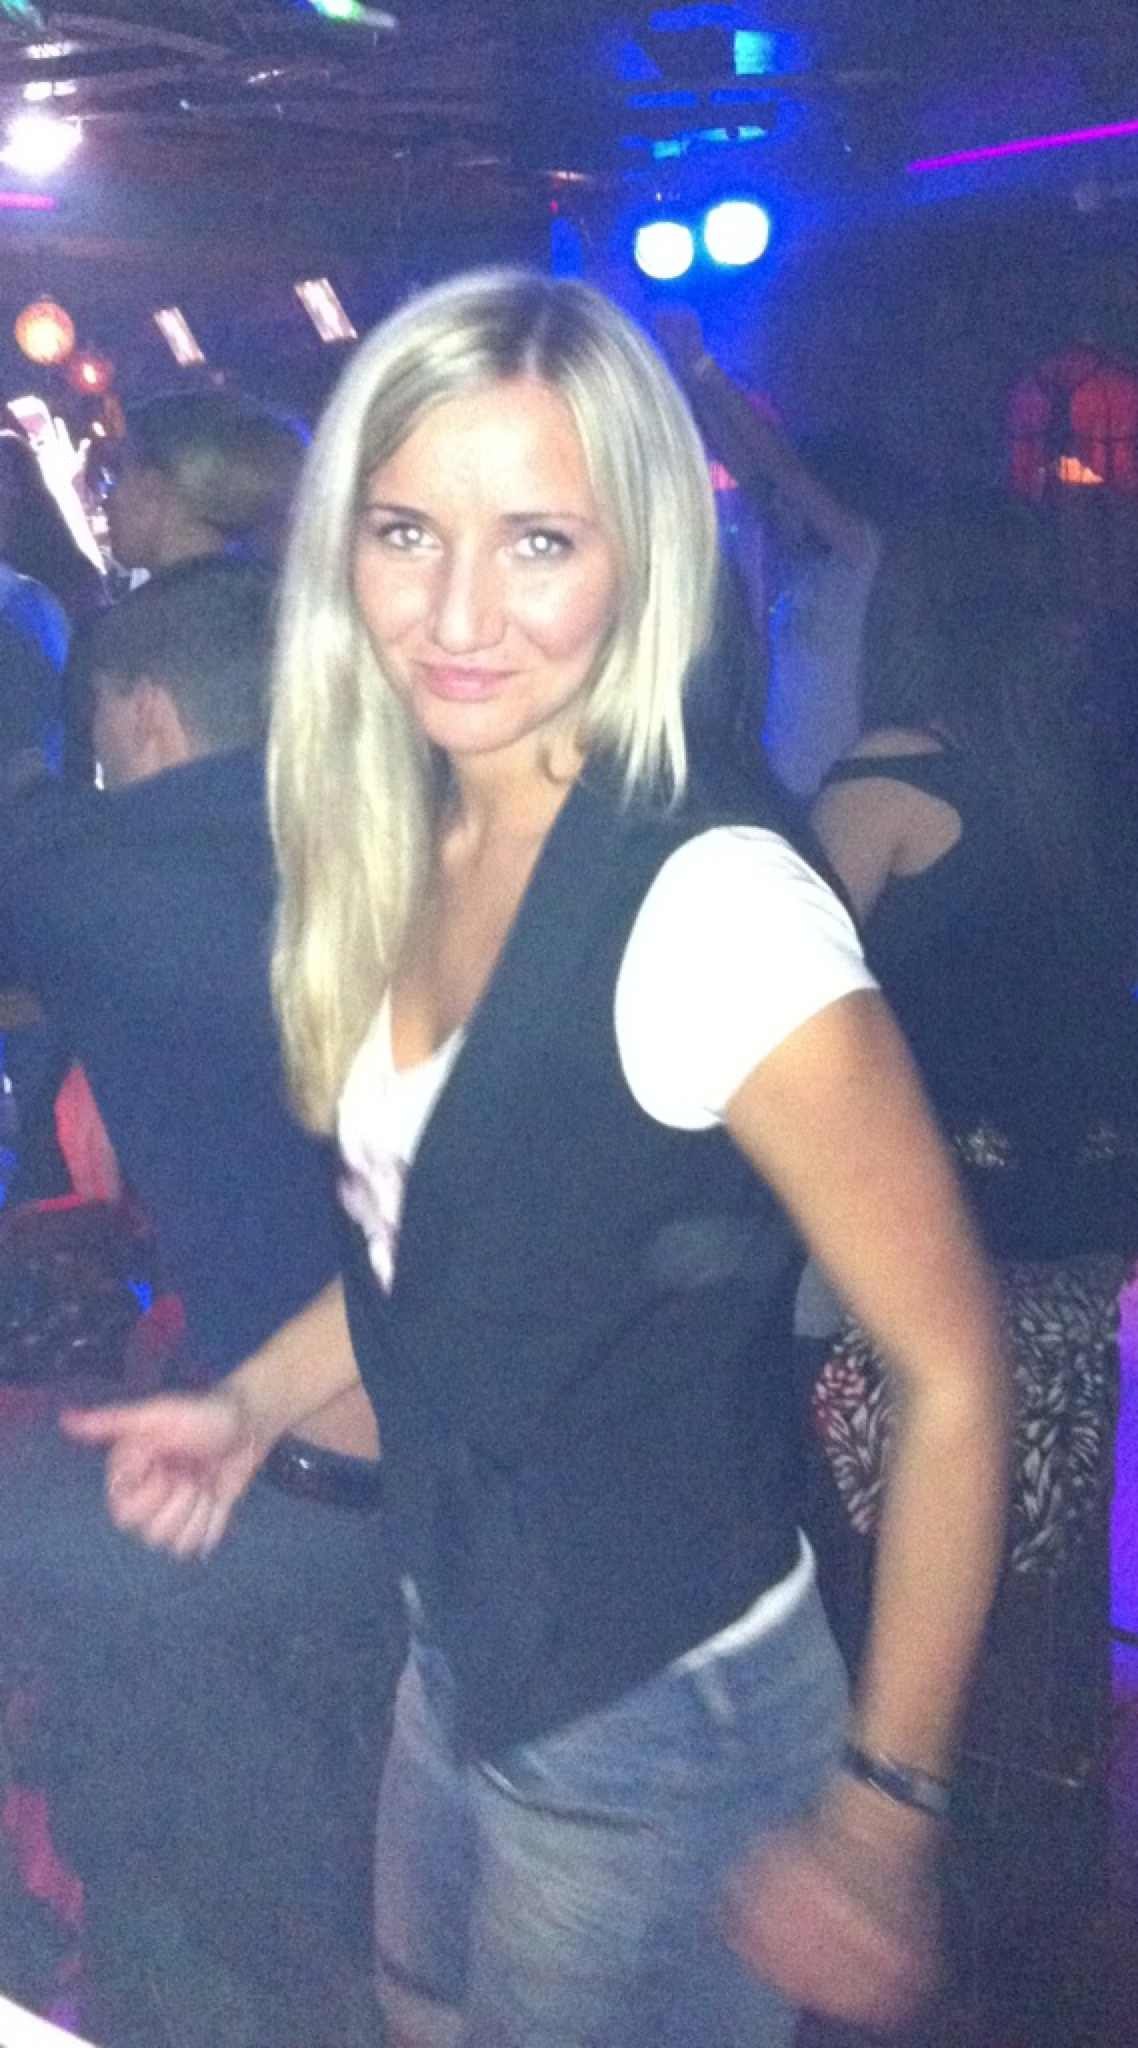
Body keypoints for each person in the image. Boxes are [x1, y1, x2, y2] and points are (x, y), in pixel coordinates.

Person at [70, 272, 1009, 2047]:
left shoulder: (714, 904)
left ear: (638, 558)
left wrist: (886, 1815)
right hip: (461, 1650)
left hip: (665, 1708)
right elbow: (439, 1250)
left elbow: (954, 1369)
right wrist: (252, 1401)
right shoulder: (406, 831)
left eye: (538, 540)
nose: (455, 612)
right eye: (407, 531)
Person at [0, 559, 390, 2046]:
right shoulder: (412, 835)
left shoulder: (93, 863)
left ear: (145, 715)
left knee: (195, 1876)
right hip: (495, 1478)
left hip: (287, 1481)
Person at [655, 307, 907, 803]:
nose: (782, 507)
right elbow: (752, 471)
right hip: (783, 786)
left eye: (797, 502)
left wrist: (703, 364)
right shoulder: (802, 572)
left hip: (835, 791)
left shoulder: (862, 558)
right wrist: (684, 377)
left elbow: (782, 471)